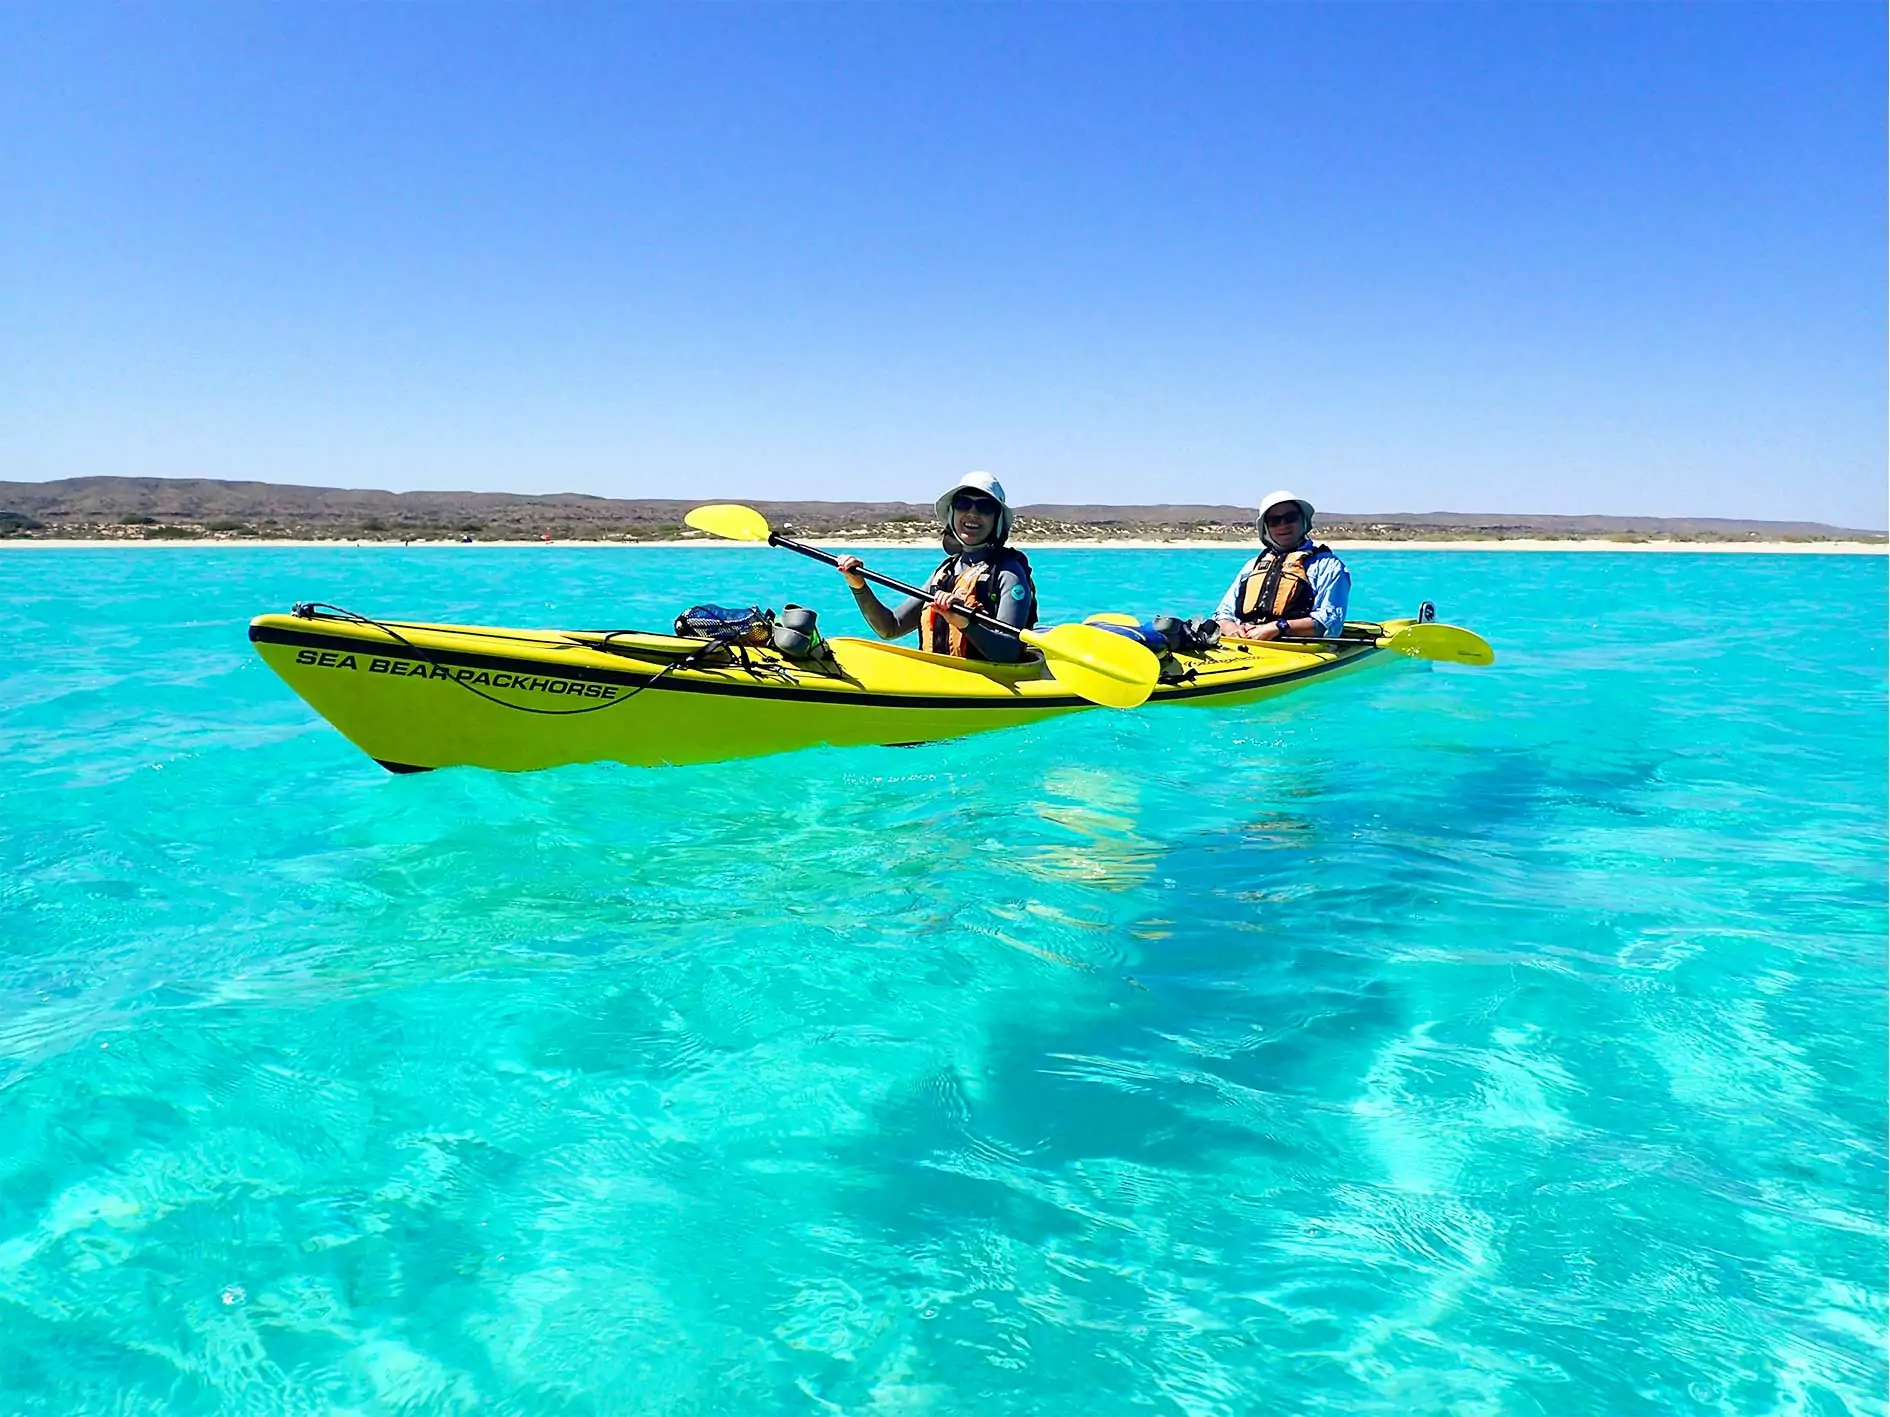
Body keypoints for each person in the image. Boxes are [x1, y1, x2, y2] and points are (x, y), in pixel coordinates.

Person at [834, 472, 1038, 662]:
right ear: (952, 512)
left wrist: (966, 623)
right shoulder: (945, 573)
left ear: (997, 519)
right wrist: (859, 586)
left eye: (985, 507)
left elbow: (1009, 652)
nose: (972, 513)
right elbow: (890, 627)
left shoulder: (1008, 573)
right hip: (941, 677)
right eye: (963, 504)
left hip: (989, 685)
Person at [1213, 490, 1350, 641]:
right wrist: (1232, 628)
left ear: (1303, 521)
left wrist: (1278, 627)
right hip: (1247, 643)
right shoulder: (1252, 566)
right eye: (1274, 521)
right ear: (1266, 528)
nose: (1283, 525)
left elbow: (1331, 623)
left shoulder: (1328, 566)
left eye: (1290, 518)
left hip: (1297, 648)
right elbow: (1223, 614)